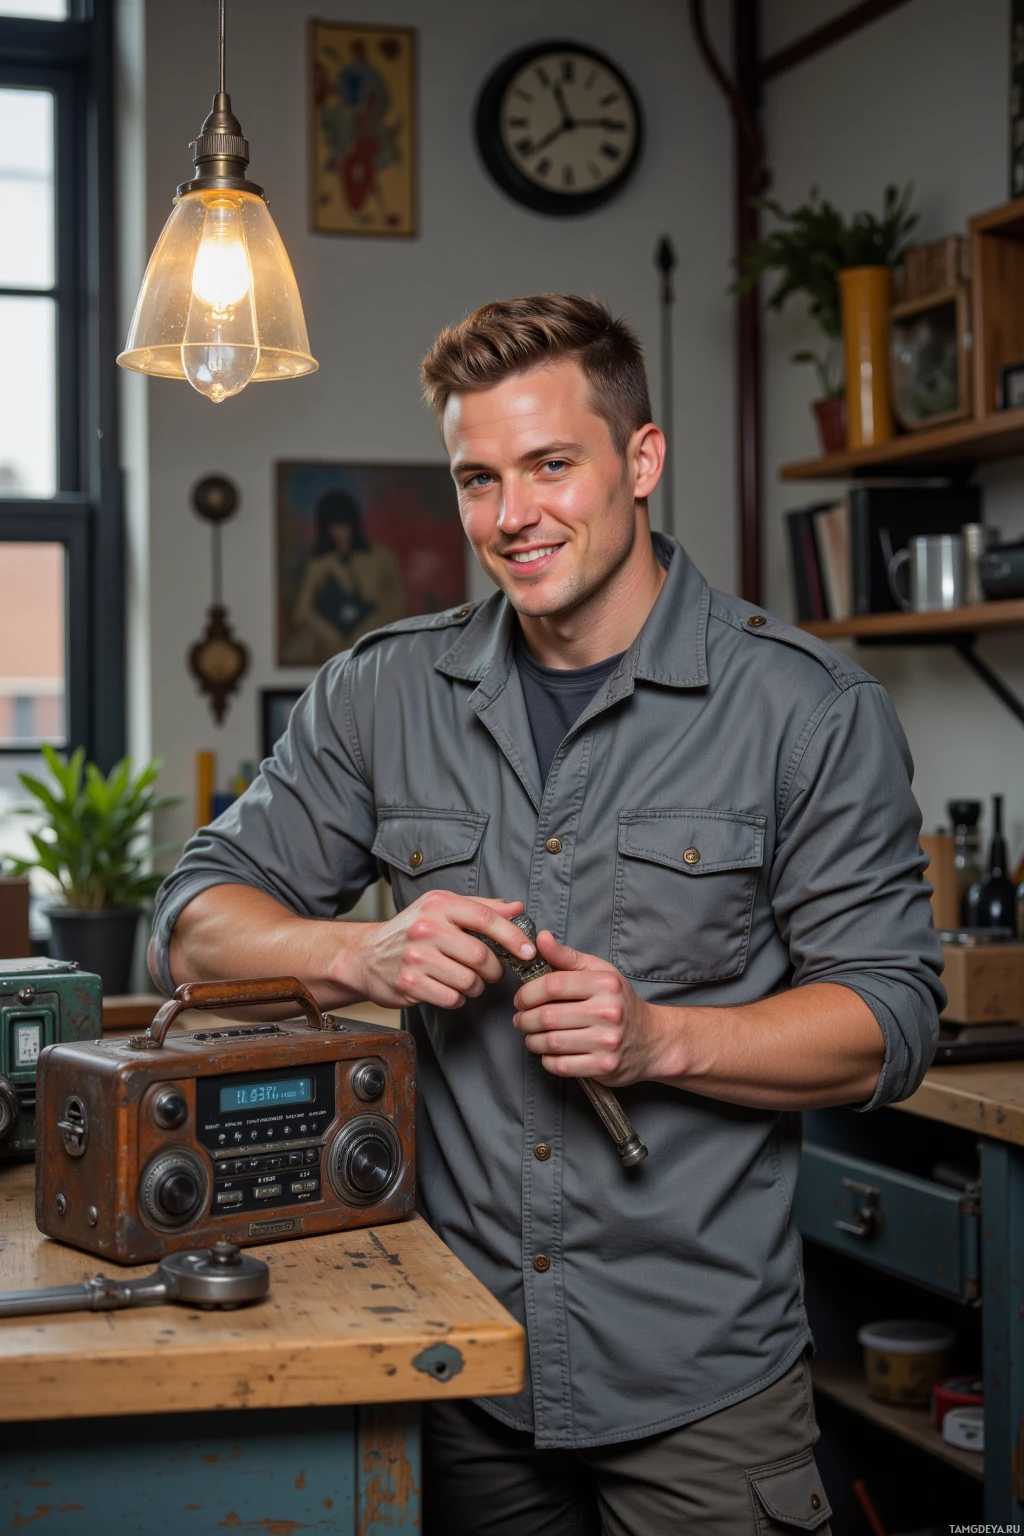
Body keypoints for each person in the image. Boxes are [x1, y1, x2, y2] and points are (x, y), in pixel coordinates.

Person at [152, 294, 944, 1535]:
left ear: (640, 460)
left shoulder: (809, 711)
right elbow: (196, 921)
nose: (511, 515)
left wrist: (663, 1039)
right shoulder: (381, 694)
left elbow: (893, 1019)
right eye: (477, 478)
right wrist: (364, 949)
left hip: (704, 1399)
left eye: (549, 465)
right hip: (456, 1371)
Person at [291, 489, 406, 657]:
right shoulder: (319, 564)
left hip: (376, 649)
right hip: (335, 654)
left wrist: (366, 629)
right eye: (334, 526)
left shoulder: (382, 557)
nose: (341, 532)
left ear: (354, 522)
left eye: (345, 524)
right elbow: (302, 612)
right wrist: (329, 633)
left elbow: (399, 604)